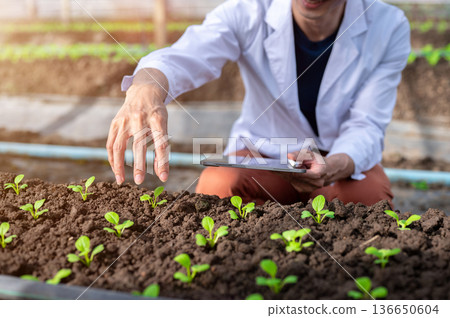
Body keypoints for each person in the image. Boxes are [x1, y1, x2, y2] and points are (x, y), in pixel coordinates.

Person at [107, 0, 411, 206]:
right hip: (264, 155)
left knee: (367, 197)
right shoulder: (249, 11)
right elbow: (189, 54)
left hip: (338, 159)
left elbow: (367, 124)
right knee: (220, 184)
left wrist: (335, 166)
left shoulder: (387, 25)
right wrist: (147, 86)